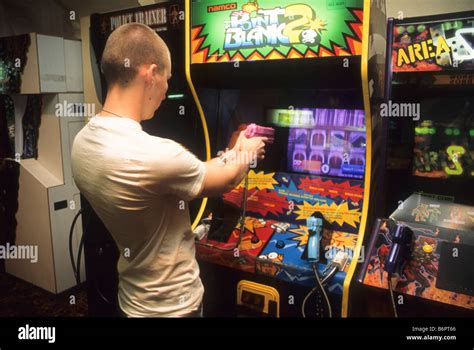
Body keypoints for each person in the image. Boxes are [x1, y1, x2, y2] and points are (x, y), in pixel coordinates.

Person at [71, 23, 266, 317]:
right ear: (150, 74)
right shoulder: (154, 153)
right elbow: (222, 179)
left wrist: (234, 150)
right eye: (167, 79)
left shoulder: (81, 143)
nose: (166, 91)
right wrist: (246, 154)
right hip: (174, 305)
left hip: (131, 299)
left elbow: (191, 170)